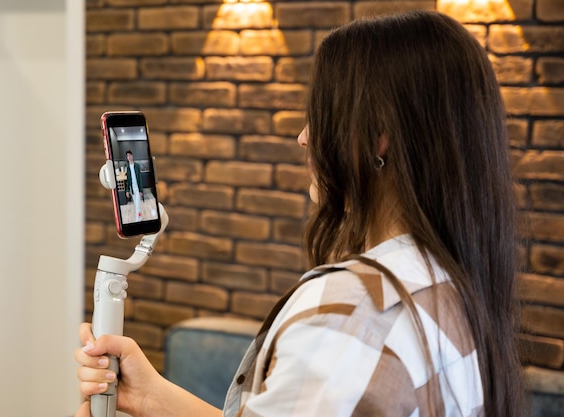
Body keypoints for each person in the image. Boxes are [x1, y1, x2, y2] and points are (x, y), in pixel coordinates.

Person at [75, 10, 526, 417]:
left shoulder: (352, 316)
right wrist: (153, 397)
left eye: (322, 115)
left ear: (379, 135)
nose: (305, 138)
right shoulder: (445, 285)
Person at [125, 150, 144, 222]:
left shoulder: (137, 166)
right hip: (131, 189)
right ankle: (140, 217)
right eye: (127, 156)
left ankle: (138, 220)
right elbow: (127, 180)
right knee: (137, 206)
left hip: (137, 189)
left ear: (132, 156)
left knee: (138, 206)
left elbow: (140, 178)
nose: (129, 157)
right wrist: (127, 190)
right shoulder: (127, 168)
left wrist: (141, 190)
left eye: (130, 155)